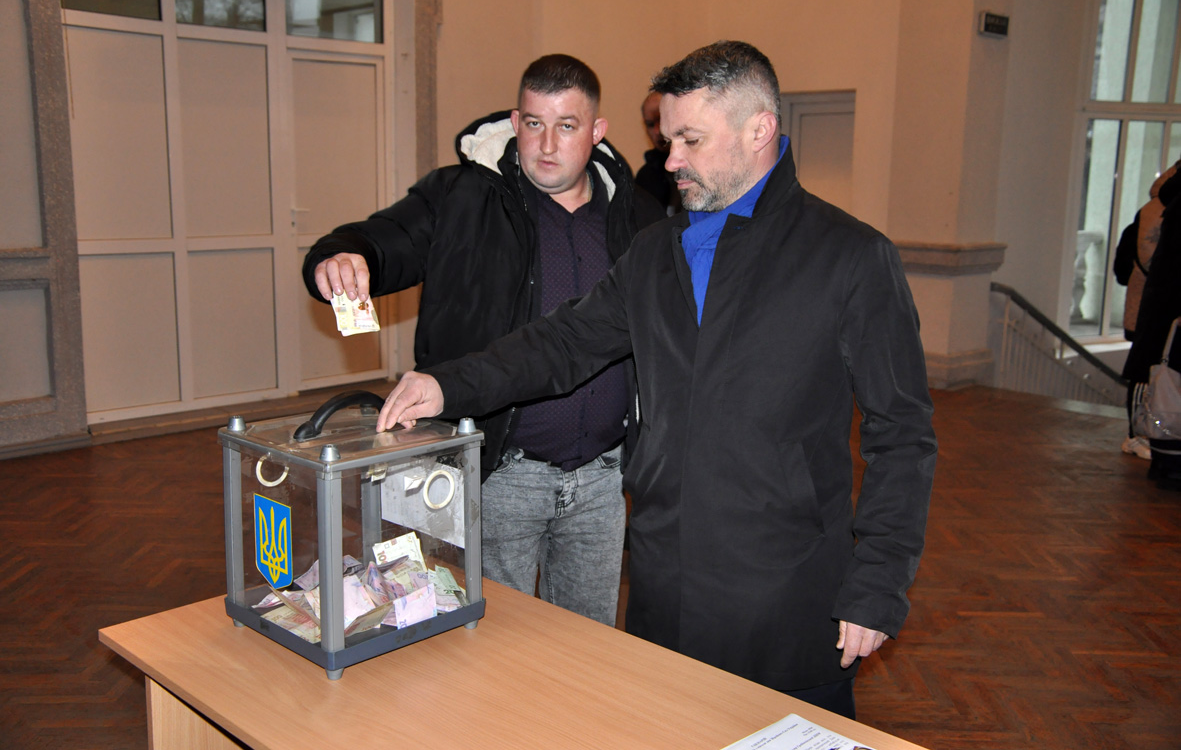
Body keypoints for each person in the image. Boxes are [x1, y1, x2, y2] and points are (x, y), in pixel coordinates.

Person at [372, 41, 937, 720]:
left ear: (758, 130)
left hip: (785, 592)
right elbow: (563, 342)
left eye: (690, 140)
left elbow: (902, 435)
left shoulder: (850, 257)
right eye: (668, 140)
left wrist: (877, 583)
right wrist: (447, 385)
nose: (670, 161)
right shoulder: (656, 252)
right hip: (665, 585)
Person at [302, 54, 663, 626]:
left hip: (601, 478)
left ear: (597, 132)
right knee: (493, 642)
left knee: (589, 645)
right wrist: (344, 256)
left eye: (567, 126)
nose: (547, 144)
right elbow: (385, 238)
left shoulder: (638, 212)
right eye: (534, 123)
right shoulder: (463, 196)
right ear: (516, 122)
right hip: (498, 472)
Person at [1115, 162, 1181, 460]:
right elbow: (1149, 259)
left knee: (1153, 368)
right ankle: (1138, 433)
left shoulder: (1159, 206)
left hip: (1156, 300)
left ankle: (1149, 433)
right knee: (1147, 368)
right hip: (1158, 302)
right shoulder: (1160, 209)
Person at [634, 90, 681, 215]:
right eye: (650, 124)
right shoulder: (646, 176)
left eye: (661, 120)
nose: (657, 131)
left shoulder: (697, 164)